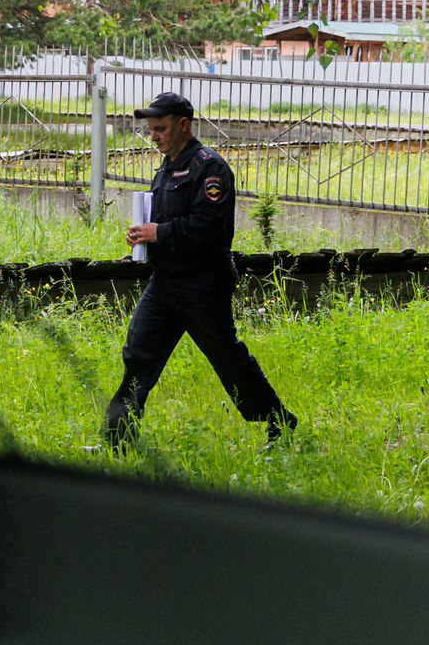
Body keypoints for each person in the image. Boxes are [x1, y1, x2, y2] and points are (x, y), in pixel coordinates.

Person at [100, 91, 297, 452]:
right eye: (151, 129)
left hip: (202, 284)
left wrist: (158, 232)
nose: (154, 135)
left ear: (183, 125)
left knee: (228, 359)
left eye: (160, 128)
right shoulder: (167, 166)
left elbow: (207, 226)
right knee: (138, 355)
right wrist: (142, 235)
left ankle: (279, 422)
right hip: (165, 283)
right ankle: (117, 440)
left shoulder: (210, 167)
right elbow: (164, 222)